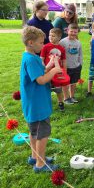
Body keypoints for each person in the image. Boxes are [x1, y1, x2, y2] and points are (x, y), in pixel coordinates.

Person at [20, 26, 61, 172]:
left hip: (34, 104)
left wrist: (49, 65)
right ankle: (40, 164)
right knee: (42, 135)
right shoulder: (31, 60)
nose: (43, 45)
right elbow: (41, 80)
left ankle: (35, 157)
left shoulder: (30, 57)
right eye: (40, 43)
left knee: (34, 133)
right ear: (31, 43)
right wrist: (55, 70)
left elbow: (40, 71)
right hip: (37, 107)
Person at [40, 28, 66, 111]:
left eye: (53, 35)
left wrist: (64, 71)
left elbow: (64, 60)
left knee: (58, 89)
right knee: (46, 87)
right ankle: (46, 103)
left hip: (57, 72)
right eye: (50, 35)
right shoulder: (45, 47)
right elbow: (41, 59)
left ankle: (60, 102)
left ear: (59, 37)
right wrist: (44, 69)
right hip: (47, 71)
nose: (50, 37)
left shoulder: (61, 48)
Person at [59, 23, 82, 104]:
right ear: (67, 31)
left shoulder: (78, 43)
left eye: (75, 32)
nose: (73, 33)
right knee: (65, 83)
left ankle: (72, 96)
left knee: (73, 82)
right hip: (66, 67)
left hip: (76, 66)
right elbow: (59, 55)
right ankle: (66, 98)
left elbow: (80, 54)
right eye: (71, 31)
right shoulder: (62, 42)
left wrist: (80, 64)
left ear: (77, 33)